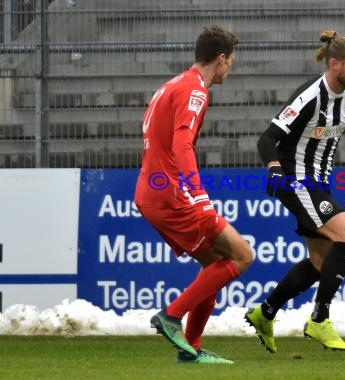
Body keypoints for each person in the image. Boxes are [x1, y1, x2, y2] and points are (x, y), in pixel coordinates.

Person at [134, 26, 253, 364]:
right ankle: (171, 316)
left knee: (215, 264)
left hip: (152, 189)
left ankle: (192, 350)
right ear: (221, 58)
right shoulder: (195, 91)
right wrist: (198, 194)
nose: (230, 68)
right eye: (231, 61)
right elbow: (181, 144)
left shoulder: (171, 85)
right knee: (242, 255)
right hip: (173, 193)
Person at [246, 30, 345, 352]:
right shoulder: (310, 95)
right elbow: (266, 139)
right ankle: (318, 319)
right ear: (334, 63)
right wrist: (273, 169)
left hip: (319, 183)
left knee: (320, 260)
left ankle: (265, 312)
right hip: (294, 180)